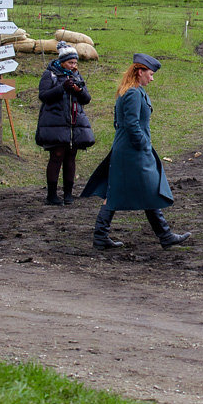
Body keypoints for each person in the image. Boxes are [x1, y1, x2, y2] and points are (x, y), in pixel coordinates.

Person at [80, 53, 191, 250]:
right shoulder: (132, 93)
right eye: (150, 73)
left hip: (128, 148)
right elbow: (130, 123)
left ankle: (104, 236)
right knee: (138, 188)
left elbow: (119, 122)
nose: (152, 77)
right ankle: (162, 235)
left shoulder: (132, 91)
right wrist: (142, 144)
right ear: (140, 72)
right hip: (132, 151)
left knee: (132, 189)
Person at [35, 42, 95, 205]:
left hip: (74, 123)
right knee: (57, 156)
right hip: (55, 122)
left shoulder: (77, 75)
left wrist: (79, 90)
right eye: (70, 63)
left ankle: (68, 194)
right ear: (62, 61)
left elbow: (87, 99)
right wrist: (62, 88)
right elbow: (44, 96)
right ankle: (52, 195)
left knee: (71, 157)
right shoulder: (50, 74)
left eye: (75, 63)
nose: (73, 66)